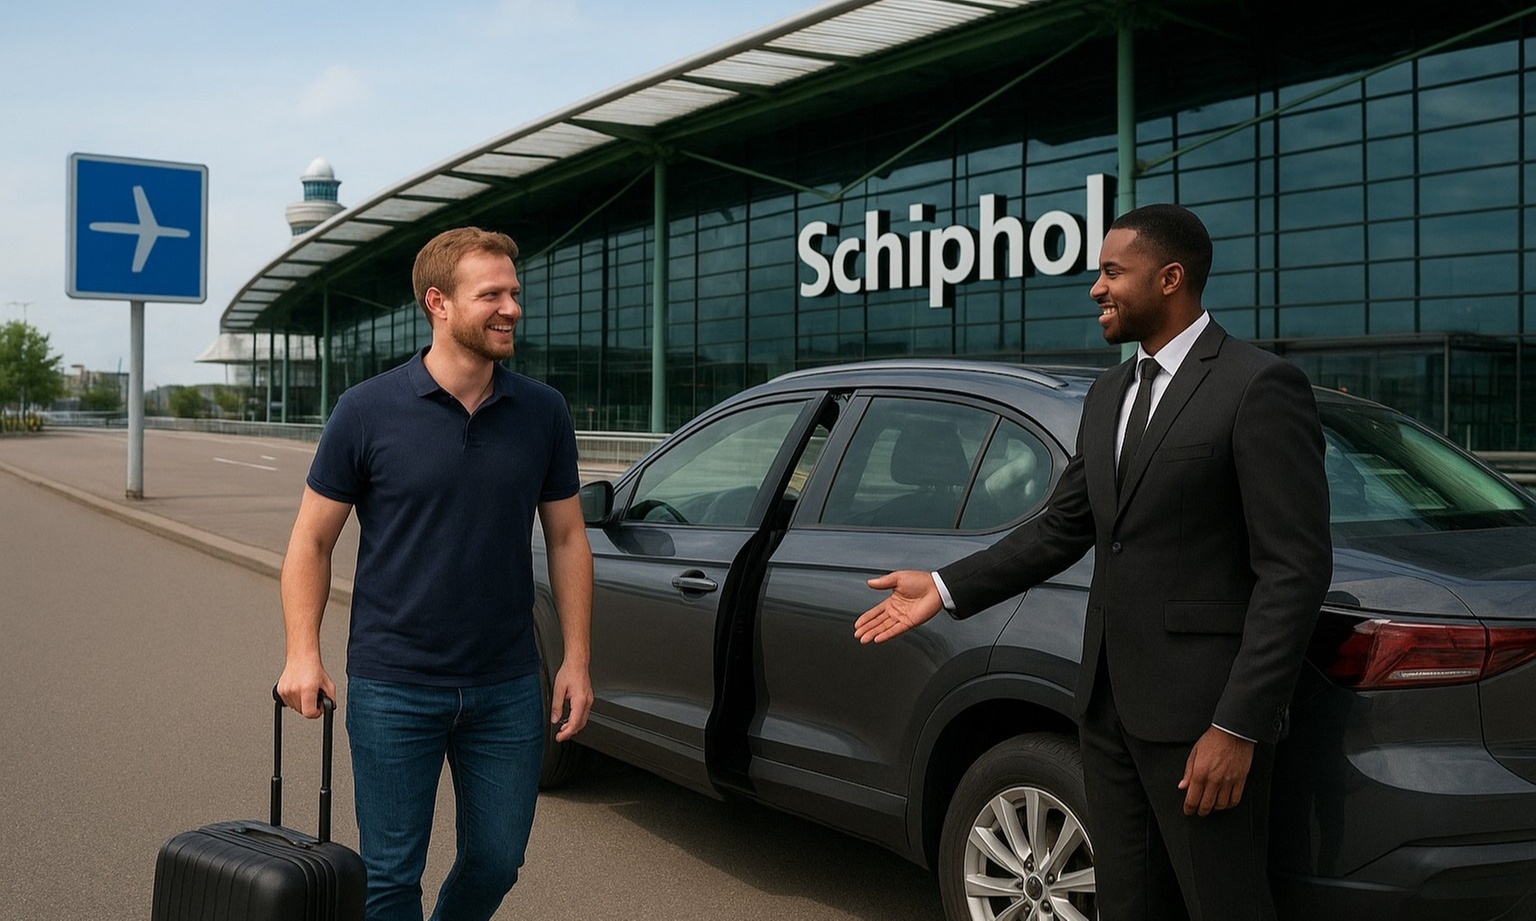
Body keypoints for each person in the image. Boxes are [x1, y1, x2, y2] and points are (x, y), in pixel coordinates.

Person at [855, 203, 1331, 920]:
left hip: (1200, 720)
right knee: (1127, 902)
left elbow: (1294, 571)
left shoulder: (1257, 386)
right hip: (1107, 707)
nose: (1095, 288)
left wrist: (1237, 726)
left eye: (1113, 271)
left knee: (1224, 902)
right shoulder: (1109, 392)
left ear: (1170, 278)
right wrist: (947, 585)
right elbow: (1064, 527)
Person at [276, 227, 594, 921]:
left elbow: (567, 537)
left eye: (515, 292)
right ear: (439, 303)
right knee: (390, 878)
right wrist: (303, 651)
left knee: (496, 860)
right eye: (493, 294)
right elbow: (311, 540)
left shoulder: (543, 411)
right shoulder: (366, 410)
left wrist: (575, 658)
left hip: (507, 683)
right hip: (395, 681)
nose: (513, 307)